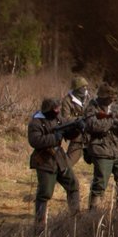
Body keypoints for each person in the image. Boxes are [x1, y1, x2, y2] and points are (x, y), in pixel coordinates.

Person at [29, 97, 82, 228]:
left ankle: (76, 218)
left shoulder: (58, 119)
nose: (58, 111)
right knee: (45, 192)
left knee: (73, 185)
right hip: (45, 161)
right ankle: (40, 224)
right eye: (55, 109)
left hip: (60, 159)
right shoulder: (36, 122)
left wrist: (77, 128)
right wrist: (54, 137)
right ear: (48, 110)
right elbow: (35, 141)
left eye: (59, 109)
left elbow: (69, 132)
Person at [82, 82, 118, 210]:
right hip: (101, 150)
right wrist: (111, 120)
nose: (111, 100)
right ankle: (94, 213)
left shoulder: (115, 107)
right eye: (108, 97)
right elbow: (93, 125)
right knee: (100, 184)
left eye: (112, 97)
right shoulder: (92, 107)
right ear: (102, 97)